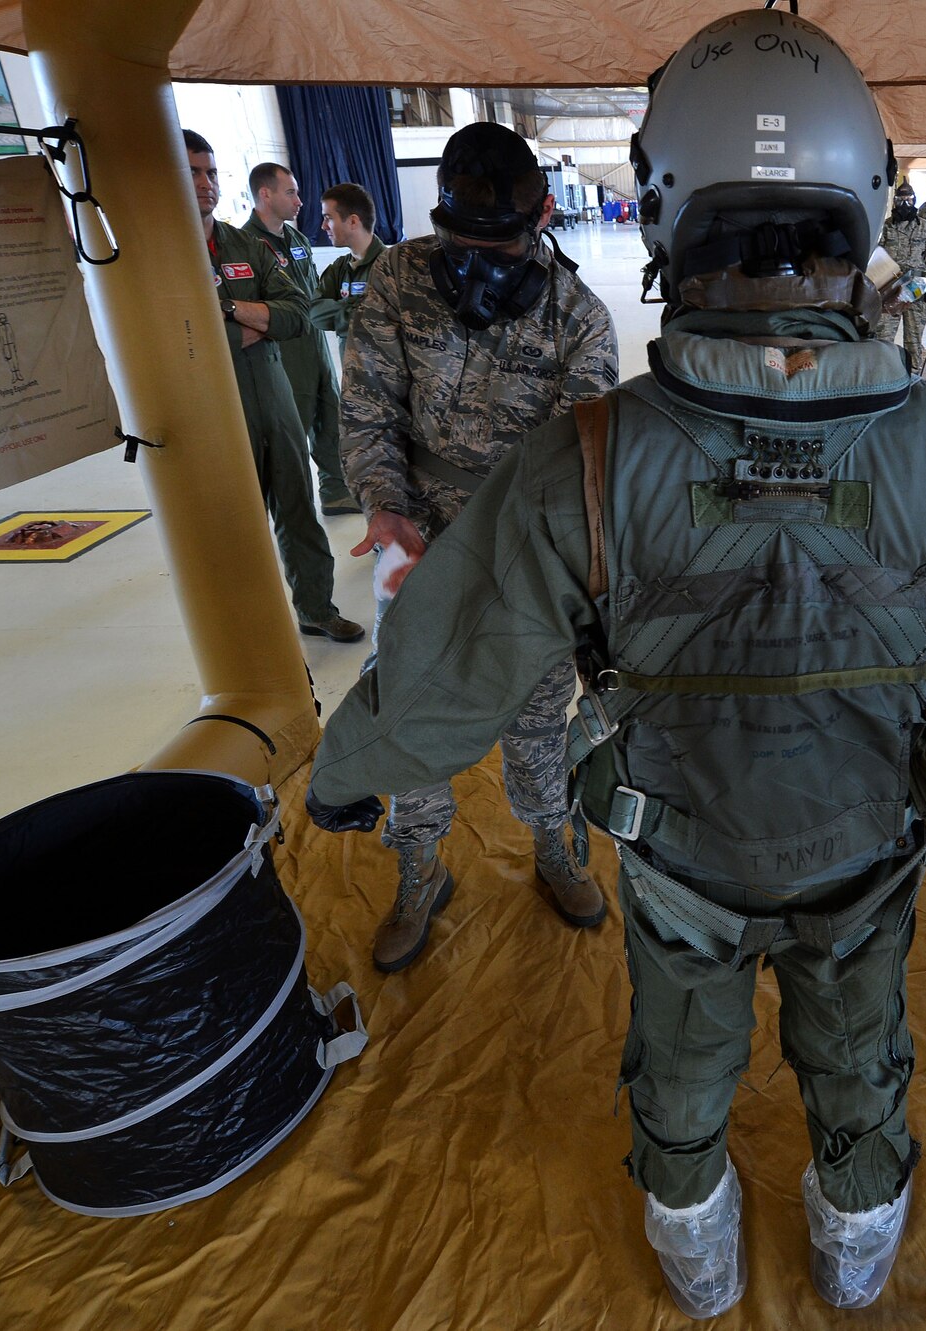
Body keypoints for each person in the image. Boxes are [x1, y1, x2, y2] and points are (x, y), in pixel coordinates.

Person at [305, 10, 926, 1315]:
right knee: (859, 1049)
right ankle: (853, 1239)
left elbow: (449, 666)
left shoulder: (586, 457)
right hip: (868, 839)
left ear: (660, 207)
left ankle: (698, 1250)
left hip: (681, 850)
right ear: (869, 203)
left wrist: (346, 770)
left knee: (679, 1055)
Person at [331, 122, 618, 972]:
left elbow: (587, 461)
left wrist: (565, 562)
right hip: (416, 539)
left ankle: (553, 847)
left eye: (499, 241)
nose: (478, 259)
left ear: (542, 215)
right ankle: (420, 869)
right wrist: (384, 505)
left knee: (534, 716)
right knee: (415, 707)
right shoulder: (396, 279)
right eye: (462, 241)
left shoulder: (578, 315)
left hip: (527, 551)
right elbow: (368, 406)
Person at [184, 130, 361, 643]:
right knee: (234, 523)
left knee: (297, 504)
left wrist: (229, 311)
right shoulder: (161, 259)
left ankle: (315, 607)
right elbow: (181, 335)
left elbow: (297, 314)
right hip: (216, 403)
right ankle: (242, 632)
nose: (205, 182)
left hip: (273, 387)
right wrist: (252, 322)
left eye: (210, 171)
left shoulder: (248, 247)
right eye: (191, 172)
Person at [243, 162, 355, 516]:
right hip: (282, 353)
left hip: (315, 347)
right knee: (292, 431)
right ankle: (292, 508)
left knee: (330, 419)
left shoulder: (298, 240)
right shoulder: (246, 245)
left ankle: (336, 492)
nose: (300, 201)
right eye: (290, 192)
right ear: (265, 194)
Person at [875, 180, 926, 374]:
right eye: (900, 200)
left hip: (916, 290)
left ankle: (913, 381)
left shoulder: (924, 226)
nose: (904, 204)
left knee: (914, 342)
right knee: (882, 339)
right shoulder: (886, 226)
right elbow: (878, 256)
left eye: (909, 200)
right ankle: (884, 379)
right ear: (894, 202)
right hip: (891, 289)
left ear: (915, 201)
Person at [311, 183, 387, 340]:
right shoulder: (340, 267)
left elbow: (382, 320)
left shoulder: (390, 266)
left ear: (353, 221)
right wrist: (357, 307)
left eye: (328, 218)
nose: (323, 226)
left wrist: (339, 312)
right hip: (350, 364)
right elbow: (314, 311)